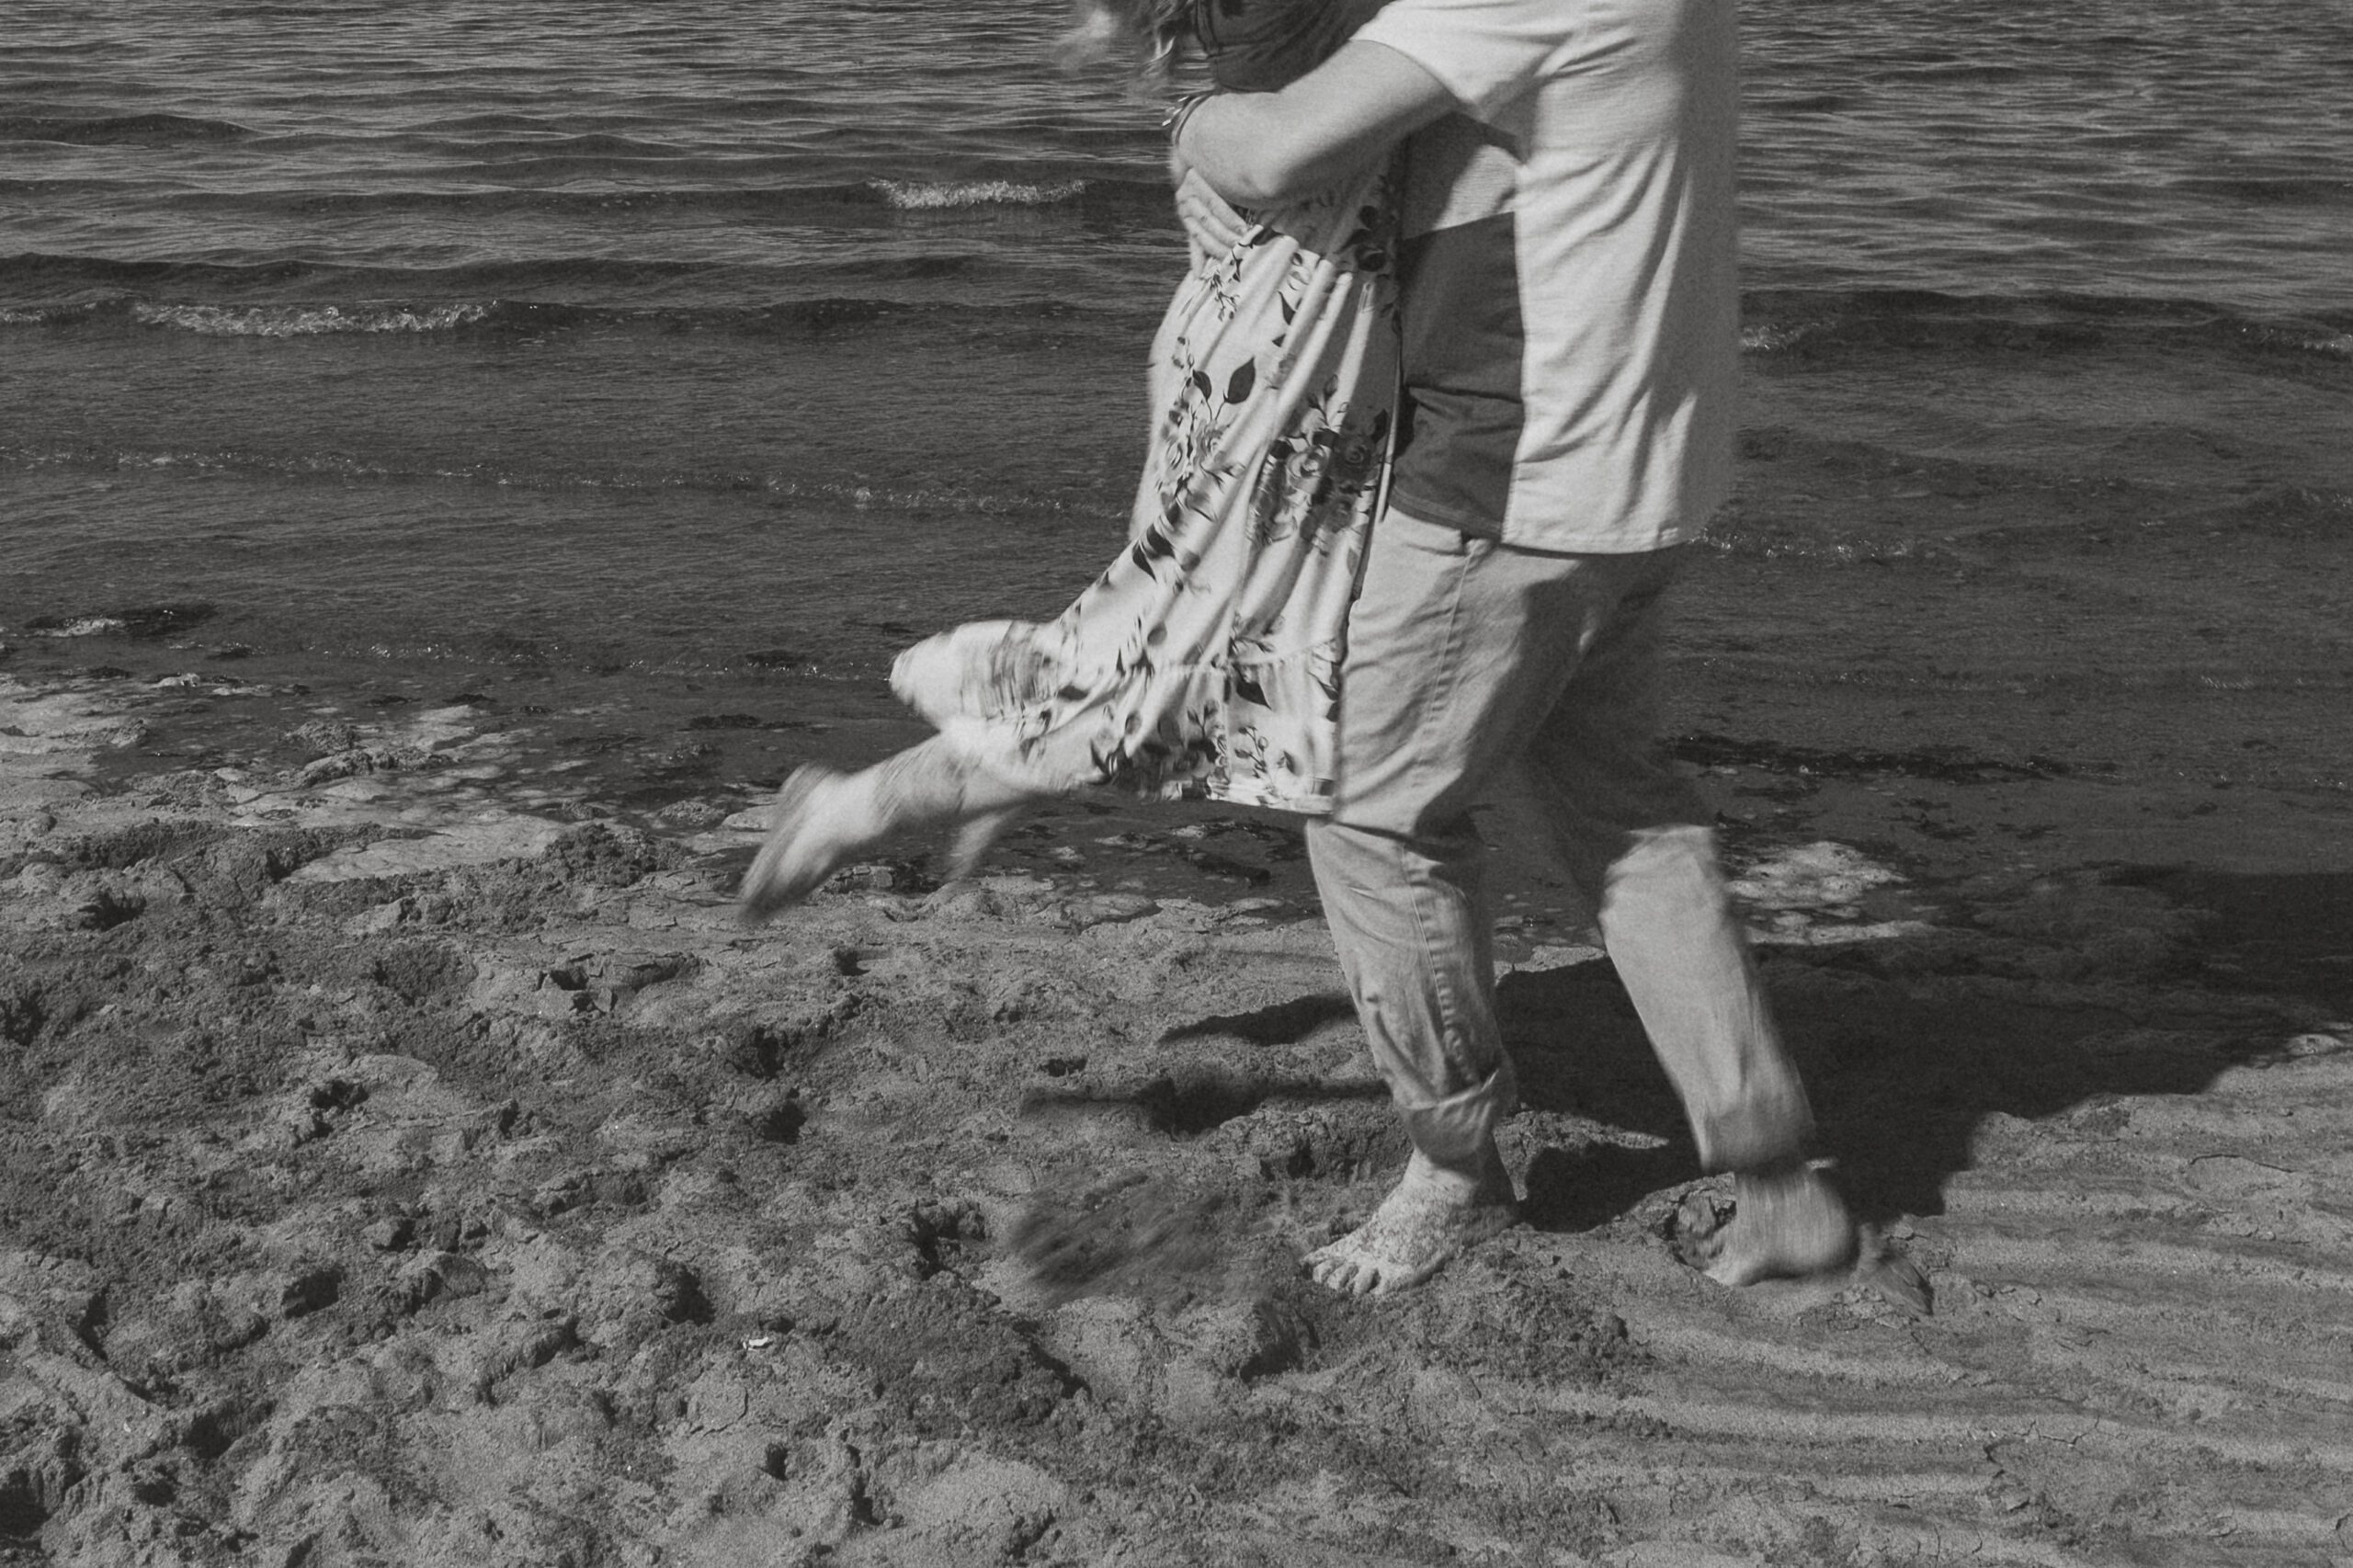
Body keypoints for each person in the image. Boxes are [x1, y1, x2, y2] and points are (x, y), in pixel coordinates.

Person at [1170, 0, 1862, 1294]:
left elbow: (1269, 150)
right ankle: (1782, 1185)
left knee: (1370, 812)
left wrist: (1198, 128)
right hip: (1644, 471)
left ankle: (1453, 1162)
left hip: (1513, 486)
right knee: (1624, 817)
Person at [735, 0, 1401, 923]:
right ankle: (860, 806)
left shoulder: (1333, 63)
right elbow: (1269, 158)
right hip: (1267, 379)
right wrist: (1194, 140)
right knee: (1181, 691)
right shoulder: (1322, 66)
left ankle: (982, 773)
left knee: (1185, 682)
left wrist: (1193, 141)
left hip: (1279, 371)